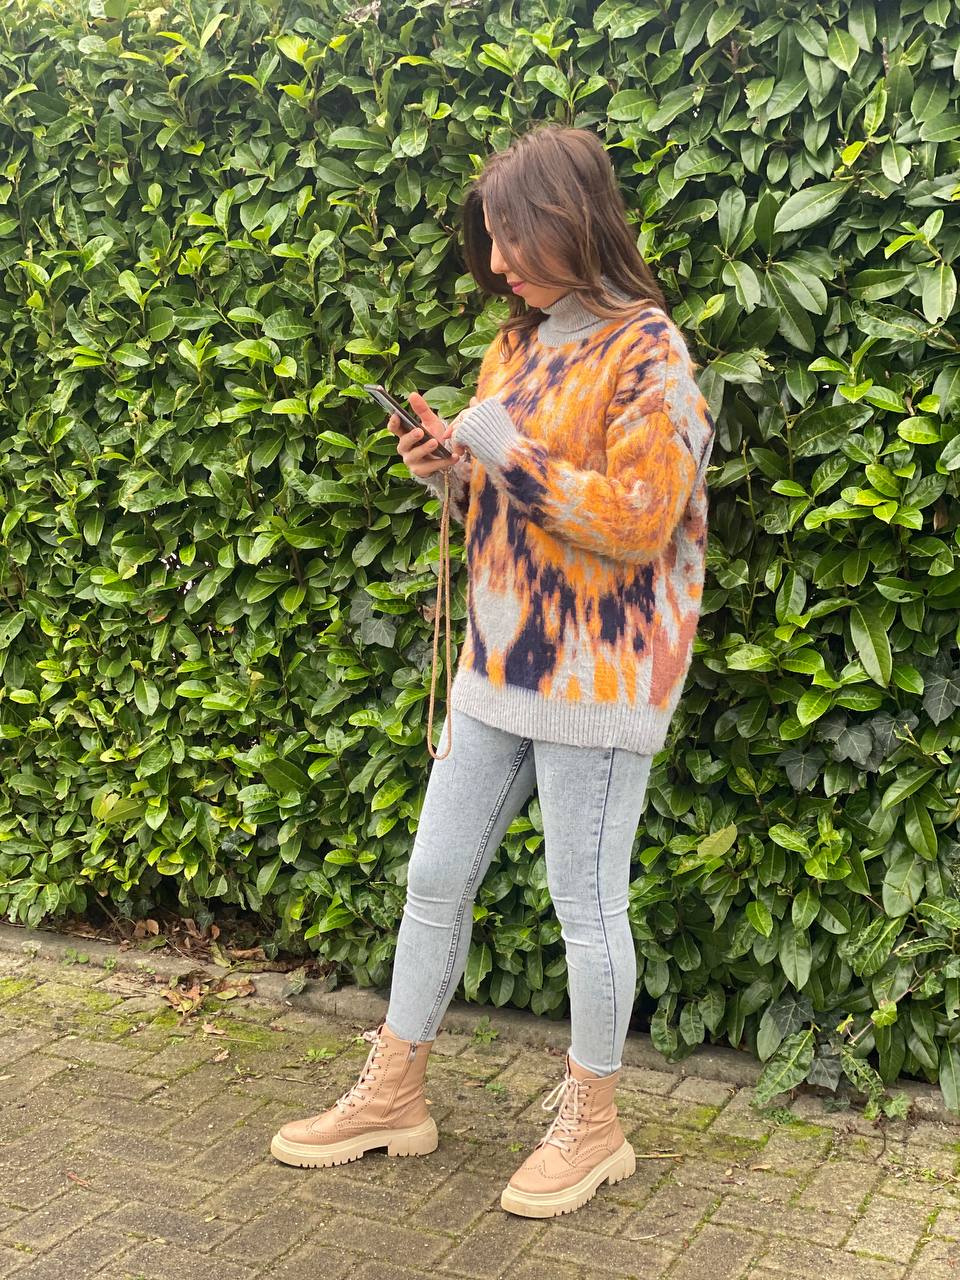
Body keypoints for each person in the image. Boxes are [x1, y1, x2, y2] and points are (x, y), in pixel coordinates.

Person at [270, 122, 716, 1220]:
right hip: (496, 661)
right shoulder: (515, 346)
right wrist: (447, 472)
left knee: (585, 904)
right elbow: (501, 507)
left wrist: (505, 450)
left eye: (513, 238)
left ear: (573, 220)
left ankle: (597, 1125)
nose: (500, 263)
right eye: (492, 242)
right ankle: (394, 1092)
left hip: (597, 681)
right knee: (434, 876)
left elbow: (640, 521)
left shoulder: (651, 353)